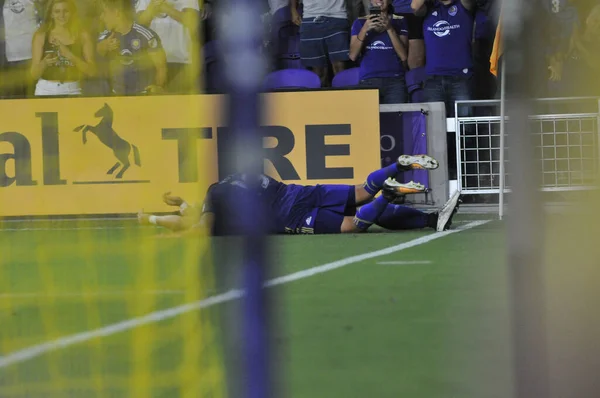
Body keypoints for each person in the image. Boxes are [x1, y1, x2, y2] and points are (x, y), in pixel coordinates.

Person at [138, 154, 462, 236]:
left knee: (353, 226)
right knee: (364, 192)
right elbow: (196, 212)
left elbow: (202, 224)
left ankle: (390, 194)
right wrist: (178, 207)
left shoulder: (216, 194)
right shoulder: (243, 179)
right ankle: (399, 167)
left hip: (289, 216)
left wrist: (157, 222)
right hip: (299, 191)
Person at [97, 0, 167, 95]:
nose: (101, 17)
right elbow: (95, 57)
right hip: (117, 97)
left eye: (104, 13)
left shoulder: (145, 35)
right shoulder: (106, 36)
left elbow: (161, 66)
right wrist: (103, 47)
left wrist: (158, 87)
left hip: (142, 96)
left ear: (117, 13)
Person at [30, 0, 96, 96]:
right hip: (46, 90)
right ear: (51, 14)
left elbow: (92, 71)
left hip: (73, 89)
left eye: (66, 11)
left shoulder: (82, 35)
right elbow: (34, 74)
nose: (62, 15)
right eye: (57, 11)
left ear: (72, 12)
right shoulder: (41, 36)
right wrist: (44, 63)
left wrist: (70, 55)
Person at [349, 0, 409, 104]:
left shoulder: (399, 21)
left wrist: (390, 29)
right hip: (368, 80)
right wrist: (364, 29)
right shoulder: (360, 22)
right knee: (369, 119)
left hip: (395, 80)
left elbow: (403, 56)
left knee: (395, 119)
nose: (380, 0)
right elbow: (353, 56)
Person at [135, 0, 200, 93]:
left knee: (179, 104)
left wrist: (165, 8)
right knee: (152, 105)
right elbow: (137, 28)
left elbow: (192, 22)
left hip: (181, 62)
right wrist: (152, 7)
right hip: (152, 63)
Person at [291, 0, 350, 86]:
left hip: (337, 16)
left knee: (340, 68)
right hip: (310, 17)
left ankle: (343, 98)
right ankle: (320, 98)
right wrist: (293, 10)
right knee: (318, 71)